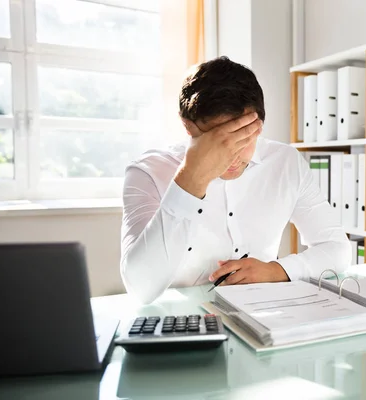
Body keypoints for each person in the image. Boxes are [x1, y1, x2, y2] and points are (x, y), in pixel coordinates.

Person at [120, 56, 350, 304]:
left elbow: (337, 249)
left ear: (259, 125)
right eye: (216, 142)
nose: (230, 156)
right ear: (188, 127)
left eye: (241, 138)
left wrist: (277, 270)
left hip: (261, 316)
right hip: (179, 321)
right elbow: (140, 289)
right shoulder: (147, 172)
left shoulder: (286, 162)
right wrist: (191, 178)